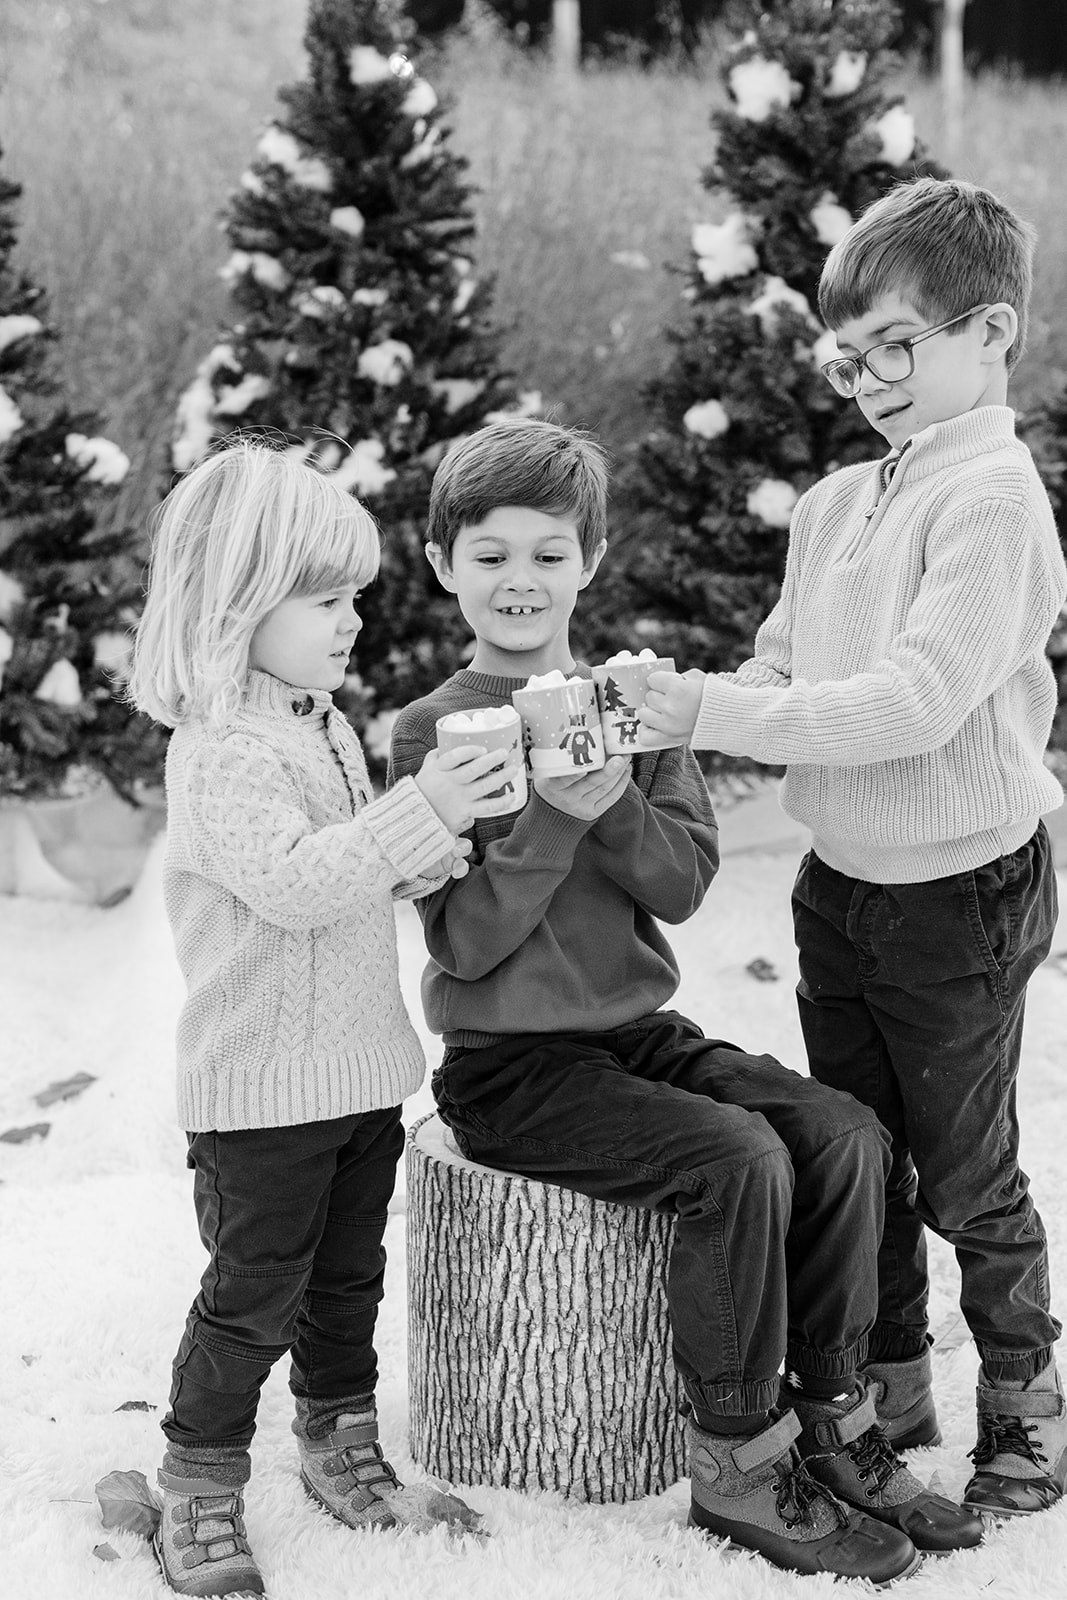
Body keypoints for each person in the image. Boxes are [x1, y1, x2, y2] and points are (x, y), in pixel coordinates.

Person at [388, 415, 982, 1582]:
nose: (521, 580)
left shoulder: (635, 708)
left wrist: (608, 793)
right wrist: (549, 809)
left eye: (549, 553)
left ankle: (832, 1413)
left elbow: (683, 882)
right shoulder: (434, 732)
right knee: (732, 1160)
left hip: (639, 1034)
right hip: (509, 1067)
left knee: (841, 1133)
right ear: (442, 562)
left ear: (590, 561)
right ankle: (734, 1455)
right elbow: (465, 945)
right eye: (491, 553)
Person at [639, 176, 1067, 1519]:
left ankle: (1022, 1395)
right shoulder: (832, 504)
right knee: (859, 1151)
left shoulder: (990, 501)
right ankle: (889, 1384)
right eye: (844, 353)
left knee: (960, 1165)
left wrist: (714, 710)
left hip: (956, 889)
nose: (864, 376)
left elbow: (910, 701)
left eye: (894, 344)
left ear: (987, 332)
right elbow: (785, 666)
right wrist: (666, 708)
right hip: (840, 888)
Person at [128, 439, 511, 1597]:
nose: (350, 621)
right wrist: (421, 810)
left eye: (355, 597)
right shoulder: (223, 749)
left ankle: (338, 1436)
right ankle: (196, 1481)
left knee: (347, 1279)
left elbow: (357, 873)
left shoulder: (318, 721)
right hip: (261, 1091)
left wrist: (441, 834)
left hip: (355, 1075)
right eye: (325, 597)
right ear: (239, 597)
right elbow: (294, 881)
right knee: (252, 1298)